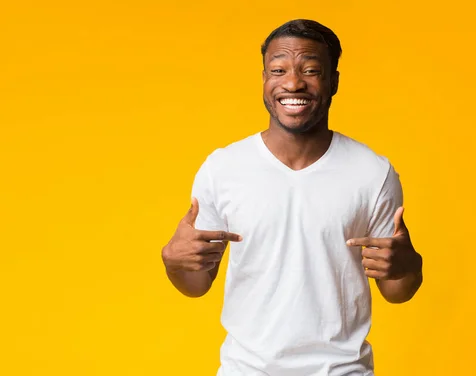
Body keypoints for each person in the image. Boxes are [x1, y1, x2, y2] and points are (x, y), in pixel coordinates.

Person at [161, 19, 423, 376]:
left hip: (341, 370)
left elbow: (397, 290)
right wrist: (173, 262)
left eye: (311, 70)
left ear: (334, 82)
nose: (293, 82)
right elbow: (196, 285)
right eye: (278, 69)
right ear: (265, 80)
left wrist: (408, 266)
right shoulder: (223, 168)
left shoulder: (372, 172)